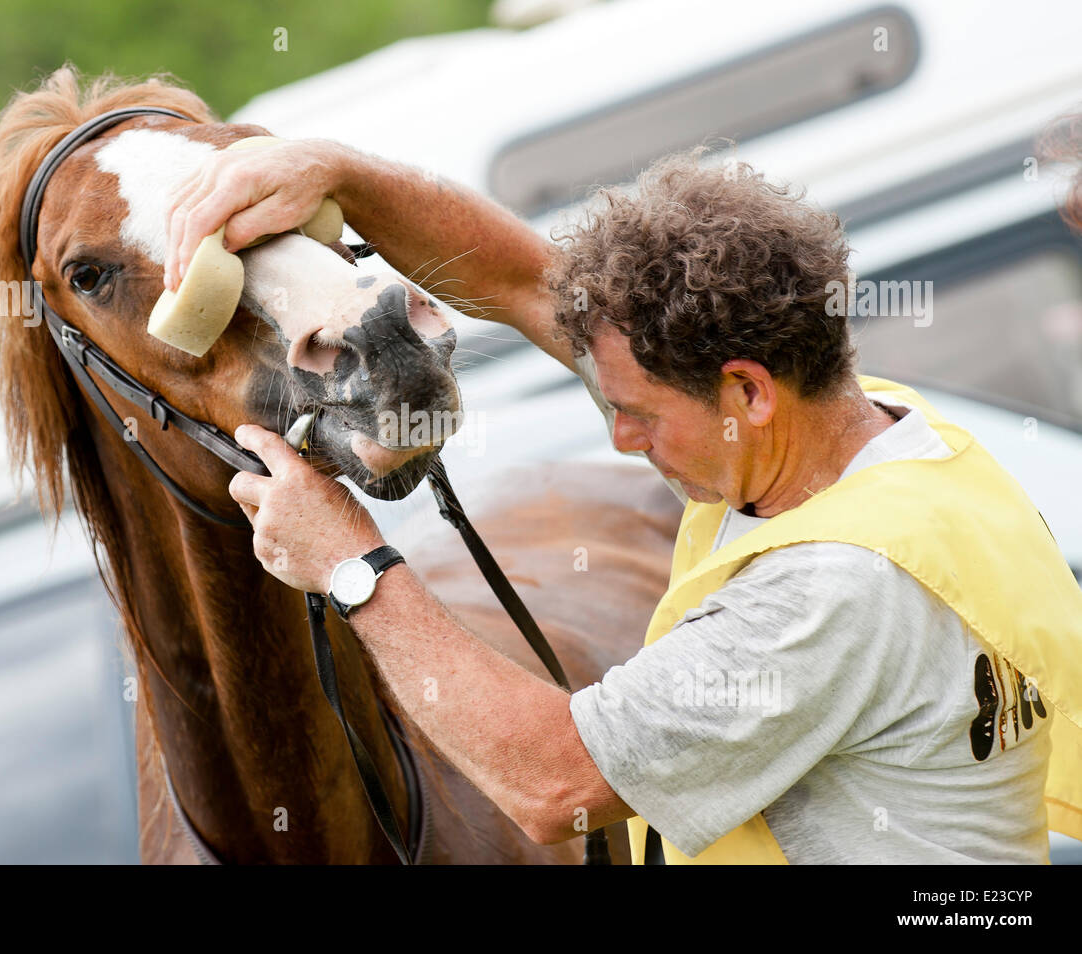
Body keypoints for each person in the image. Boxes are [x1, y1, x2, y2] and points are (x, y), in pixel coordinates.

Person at [165, 139, 1082, 864]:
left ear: (748, 391)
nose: (619, 440)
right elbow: (526, 280)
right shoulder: (879, 437)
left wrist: (351, 565)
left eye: (639, 414)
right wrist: (338, 175)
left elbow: (555, 786)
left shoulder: (830, 595)